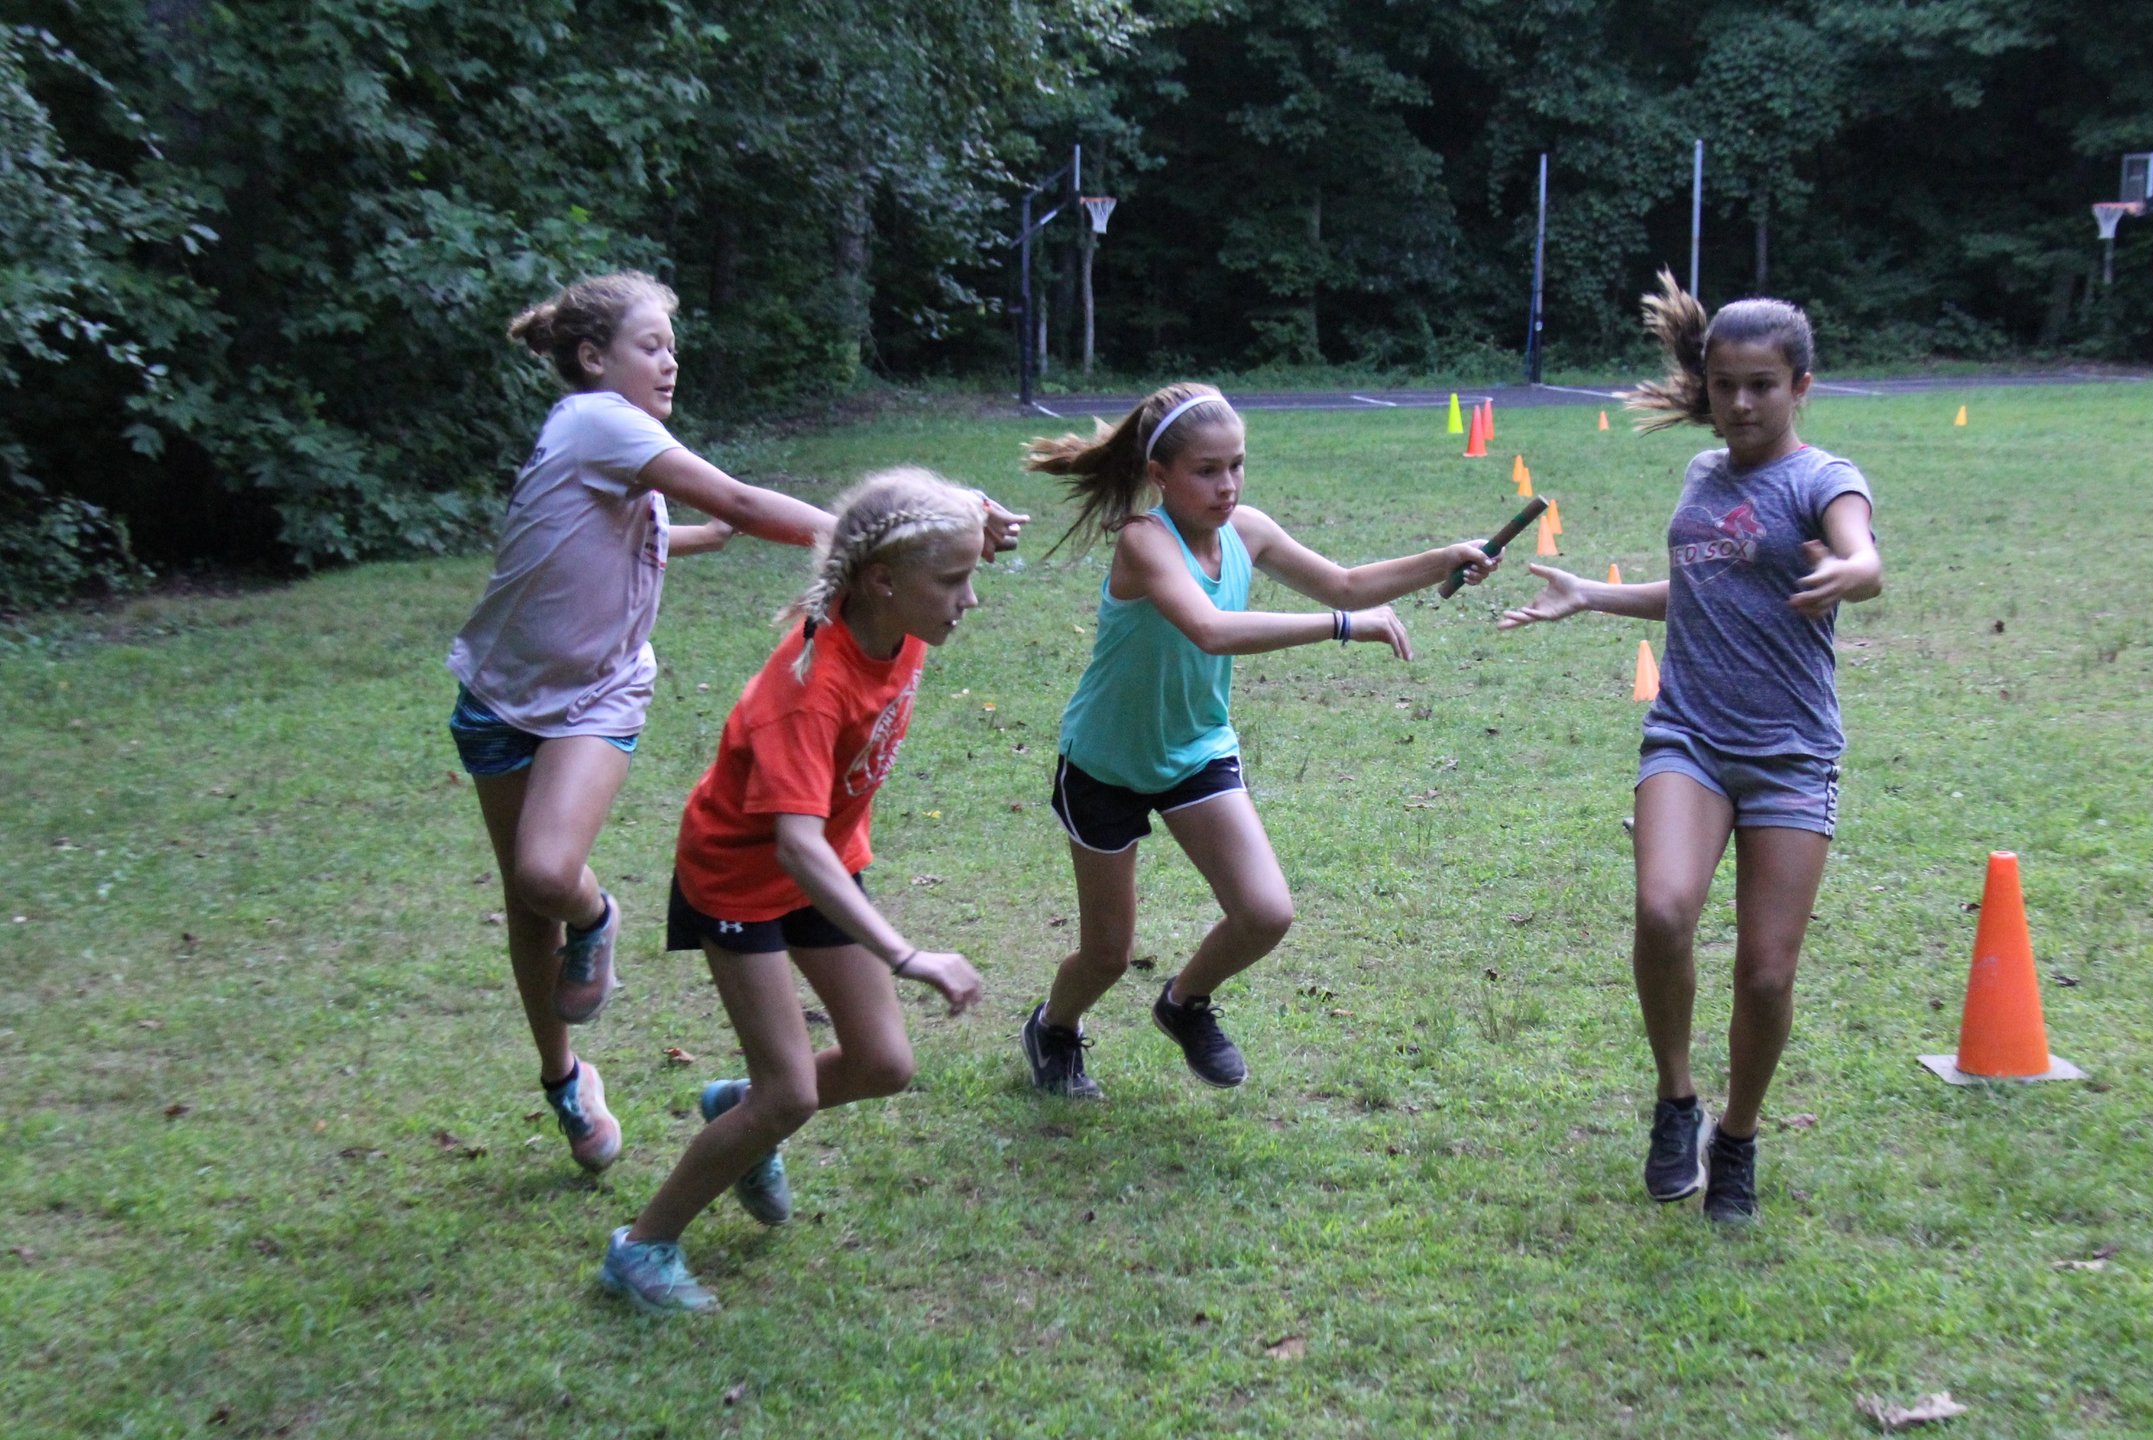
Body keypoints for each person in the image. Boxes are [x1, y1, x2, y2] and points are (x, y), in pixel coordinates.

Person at [1498, 271, 1883, 1225]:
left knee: (1766, 971)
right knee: (1664, 910)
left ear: (1801, 387)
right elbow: (1702, 592)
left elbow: (1861, 552)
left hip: (1791, 751)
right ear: (1706, 386)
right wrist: (1591, 593)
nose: (1741, 403)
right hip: (1692, 734)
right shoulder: (1703, 474)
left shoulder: (1825, 479)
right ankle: (1677, 1102)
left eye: (1762, 385)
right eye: (1725, 385)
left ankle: (1737, 1137)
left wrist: (1853, 569)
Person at [448, 271, 843, 1175]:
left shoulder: (609, 435)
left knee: (548, 873)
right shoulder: (598, 421)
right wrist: (871, 531)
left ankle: (596, 918)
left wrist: (690, 536)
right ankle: (565, 1077)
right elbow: (738, 502)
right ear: (594, 358)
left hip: (599, 692)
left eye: (673, 347)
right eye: (651, 345)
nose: (671, 363)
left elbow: (631, 528)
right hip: (499, 696)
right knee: (529, 901)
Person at [598, 467, 1012, 1314]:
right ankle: (641, 1246)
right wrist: (906, 954)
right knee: (790, 1092)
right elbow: (793, 846)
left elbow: (930, 511)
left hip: (825, 859)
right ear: (882, 580)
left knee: (883, 1063)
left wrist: (981, 514)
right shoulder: (808, 689)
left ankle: (740, 1112)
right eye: (953, 580)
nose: (968, 599)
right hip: (741, 879)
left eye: (970, 574)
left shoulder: (900, 596)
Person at [1016, 383, 1496, 1097]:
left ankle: (1184, 1003)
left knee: (1266, 913)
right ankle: (1053, 1027)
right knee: (1108, 954)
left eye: (1237, 465)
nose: (1228, 485)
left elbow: (1345, 583)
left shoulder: (1248, 530)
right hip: (1105, 764)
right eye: (1207, 470)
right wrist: (1340, 628)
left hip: (1195, 750)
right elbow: (1210, 629)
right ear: (1159, 475)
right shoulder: (1144, 540)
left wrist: (1443, 558)